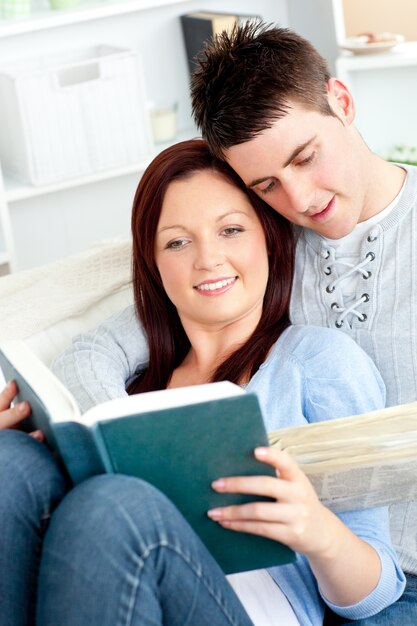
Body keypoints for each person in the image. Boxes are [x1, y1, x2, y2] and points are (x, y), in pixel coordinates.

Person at [53, 23, 417, 624]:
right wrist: (107, 439)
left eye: (305, 157)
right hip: (301, 573)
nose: (299, 198)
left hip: (378, 579)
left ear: (343, 102)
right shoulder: (260, 251)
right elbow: (103, 348)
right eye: (266, 184)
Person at [0, 140, 405, 626]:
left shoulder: (319, 363)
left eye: (231, 230)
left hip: (254, 610)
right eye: (177, 242)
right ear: (154, 264)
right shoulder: (131, 384)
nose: (208, 259)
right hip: (117, 589)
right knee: (11, 460)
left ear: (269, 239)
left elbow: (377, 594)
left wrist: (317, 530)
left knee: (114, 505)